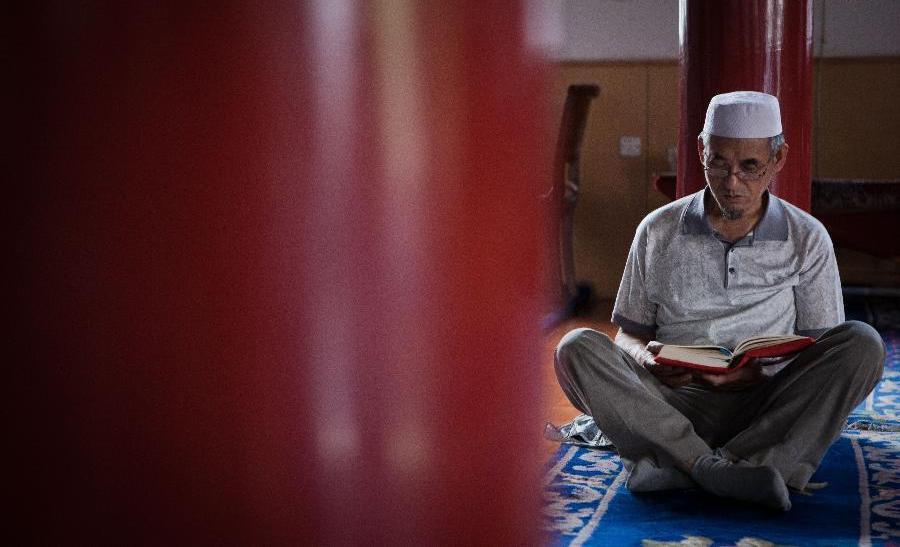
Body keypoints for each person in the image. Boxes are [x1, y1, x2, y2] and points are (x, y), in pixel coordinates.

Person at [554, 91, 885, 511]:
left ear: (778, 159)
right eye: (719, 164)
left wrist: (758, 376)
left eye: (750, 167)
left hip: (766, 404)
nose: (731, 184)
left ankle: (682, 464)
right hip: (669, 400)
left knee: (862, 343)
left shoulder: (808, 237)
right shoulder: (657, 230)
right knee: (576, 349)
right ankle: (726, 469)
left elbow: (819, 352)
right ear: (700, 151)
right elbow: (628, 335)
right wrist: (647, 361)